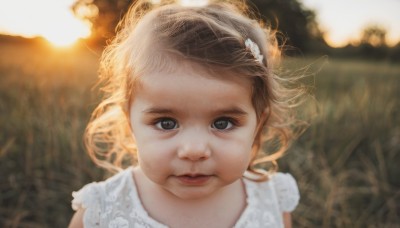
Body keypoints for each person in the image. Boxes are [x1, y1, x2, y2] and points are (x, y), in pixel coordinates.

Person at [69, 0, 306, 227]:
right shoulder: (102, 211)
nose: (194, 150)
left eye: (223, 123)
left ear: (258, 124)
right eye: (166, 123)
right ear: (129, 121)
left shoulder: (272, 200)